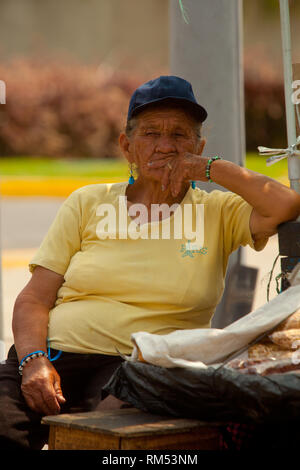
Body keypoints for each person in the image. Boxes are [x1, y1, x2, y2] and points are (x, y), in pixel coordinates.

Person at [0, 75, 300, 450]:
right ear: (127, 146)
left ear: (198, 146)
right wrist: (33, 361)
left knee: (104, 440)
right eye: (151, 133)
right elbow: (33, 300)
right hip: (55, 352)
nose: (165, 146)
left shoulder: (218, 211)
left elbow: (285, 203)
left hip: (139, 370)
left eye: (179, 135)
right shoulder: (88, 202)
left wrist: (207, 169)